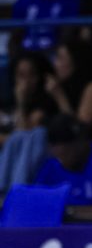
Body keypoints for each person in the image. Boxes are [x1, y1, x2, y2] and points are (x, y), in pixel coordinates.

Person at [0, 52, 55, 194]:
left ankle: (16, 192)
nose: (26, 81)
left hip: (26, 162)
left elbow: (24, 135)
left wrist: (21, 102)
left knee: (27, 136)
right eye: (21, 75)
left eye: (32, 74)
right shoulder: (4, 102)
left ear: (39, 76)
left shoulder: (45, 104)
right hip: (5, 158)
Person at [46, 40, 92, 139]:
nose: (55, 64)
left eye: (60, 58)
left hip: (89, 144)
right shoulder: (63, 85)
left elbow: (78, 130)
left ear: (76, 61)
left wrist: (59, 96)